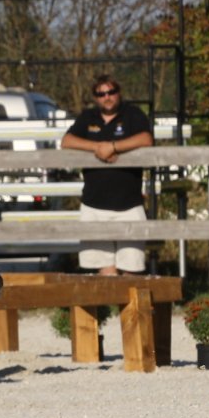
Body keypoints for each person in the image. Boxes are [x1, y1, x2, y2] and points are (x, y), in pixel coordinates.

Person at [60, 76, 155, 275]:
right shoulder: (88, 117)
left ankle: (129, 307)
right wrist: (98, 148)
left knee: (132, 268)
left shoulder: (133, 114)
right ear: (95, 97)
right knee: (105, 273)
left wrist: (113, 147)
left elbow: (146, 139)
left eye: (111, 92)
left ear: (119, 92)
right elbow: (67, 141)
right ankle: (112, 306)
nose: (107, 97)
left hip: (129, 204)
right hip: (94, 204)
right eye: (101, 94)